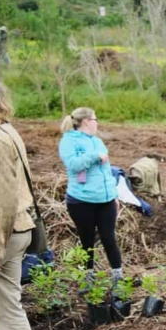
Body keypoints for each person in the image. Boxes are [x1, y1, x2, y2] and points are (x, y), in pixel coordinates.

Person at [0, 77, 41, 330]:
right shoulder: (6, 130)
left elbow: (1, 201)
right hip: (16, 230)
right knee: (8, 307)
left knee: (6, 306)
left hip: (3, 235)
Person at [59, 107, 123, 281]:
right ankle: (89, 277)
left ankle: (118, 277)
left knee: (109, 238)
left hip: (106, 199)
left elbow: (107, 172)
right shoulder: (68, 141)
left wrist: (114, 195)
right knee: (87, 240)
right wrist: (94, 156)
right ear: (86, 122)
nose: (97, 123)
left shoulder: (97, 141)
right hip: (81, 200)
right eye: (95, 119)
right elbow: (74, 165)